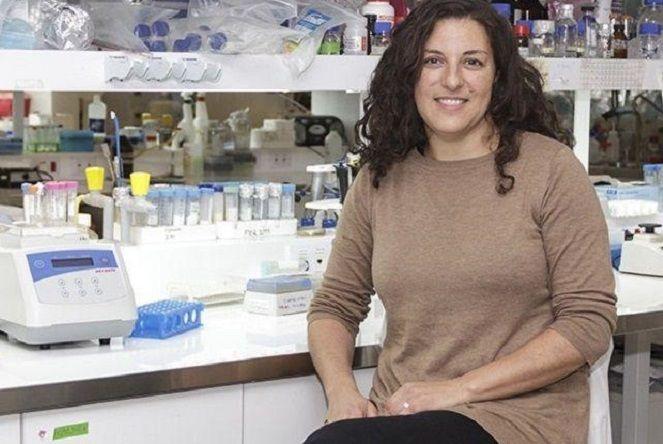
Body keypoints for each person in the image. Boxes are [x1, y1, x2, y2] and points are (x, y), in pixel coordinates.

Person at [305, 0, 617, 442]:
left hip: (514, 417)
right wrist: (341, 393)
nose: (452, 80)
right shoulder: (380, 177)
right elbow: (335, 305)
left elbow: (587, 322)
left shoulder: (551, 170)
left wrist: (457, 390)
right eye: (433, 61)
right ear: (409, 74)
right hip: (401, 411)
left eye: (472, 62)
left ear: (498, 77)